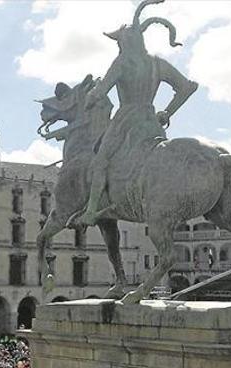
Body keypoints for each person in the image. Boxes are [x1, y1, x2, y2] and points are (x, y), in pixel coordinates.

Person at [74, 0, 197, 227]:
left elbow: (101, 92)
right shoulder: (157, 63)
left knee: (100, 161)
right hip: (151, 122)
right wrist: (167, 112)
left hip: (126, 121)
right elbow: (188, 87)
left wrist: (91, 97)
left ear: (123, 42)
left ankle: (91, 210)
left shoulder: (122, 62)